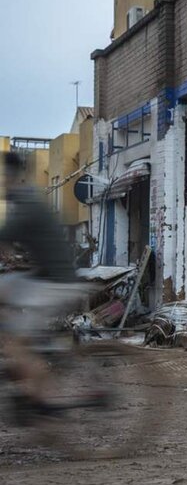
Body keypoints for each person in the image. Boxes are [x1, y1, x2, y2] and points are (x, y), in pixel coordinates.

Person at [0, 152, 82, 420]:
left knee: (17, 343)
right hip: (44, 277)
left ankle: (39, 398)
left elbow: (6, 234)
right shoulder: (22, 200)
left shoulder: (26, 202)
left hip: (55, 283)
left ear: (12, 176)